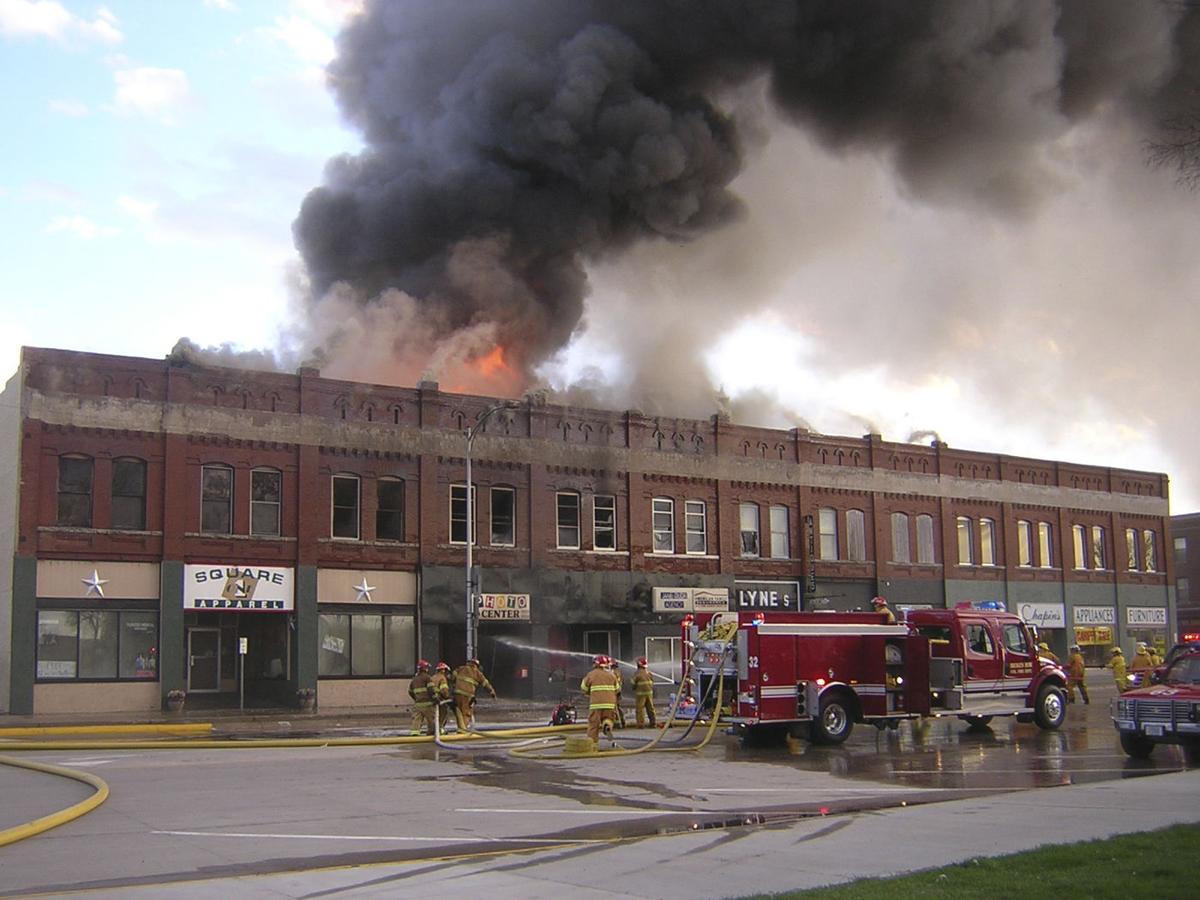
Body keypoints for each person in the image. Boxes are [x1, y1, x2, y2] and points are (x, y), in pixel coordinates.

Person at [581, 654, 620, 746]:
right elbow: (618, 689)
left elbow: (583, 688)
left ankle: (592, 745)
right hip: (610, 704)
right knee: (609, 719)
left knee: (593, 725)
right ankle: (607, 725)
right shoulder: (612, 675)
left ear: (596, 664)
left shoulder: (591, 674)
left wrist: (588, 693)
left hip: (596, 704)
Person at [453, 657, 496, 731]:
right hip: (467, 695)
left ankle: (460, 728)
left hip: (457, 694)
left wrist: (455, 684)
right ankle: (463, 730)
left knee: (458, 711)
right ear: (476, 665)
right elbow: (485, 684)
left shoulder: (461, 668)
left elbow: (452, 676)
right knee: (466, 713)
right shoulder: (477, 673)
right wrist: (492, 692)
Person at [407, 659, 435, 735]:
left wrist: (417, 698)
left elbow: (410, 692)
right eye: (427, 667)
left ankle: (415, 733)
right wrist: (435, 699)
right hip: (428, 704)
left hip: (418, 704)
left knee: (416, 720)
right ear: (425, 668)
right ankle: (431, 733)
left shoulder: (414, 679)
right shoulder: (427, 678)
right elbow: (431, 690)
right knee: (431, 720)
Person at [632, 656, 657, 728]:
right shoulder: (649, 673)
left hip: (640, 694)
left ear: (639, 664)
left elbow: (633, 683)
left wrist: (634, 688)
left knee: (640, 709)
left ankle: (640, 724)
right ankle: (653, 723)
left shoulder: (637, 673)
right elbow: (652, 682)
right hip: (649, 693)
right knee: (650, 708)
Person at [430, 662, 454, 733]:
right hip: (440, 699)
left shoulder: (432, 677)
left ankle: (434, 729)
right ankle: (440, 729)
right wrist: (448, 697)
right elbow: (444, 691)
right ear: (443, 670)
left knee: (434, 716)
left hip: (432, 699)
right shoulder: (442, 678)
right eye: (446, 671)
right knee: (443, 714)